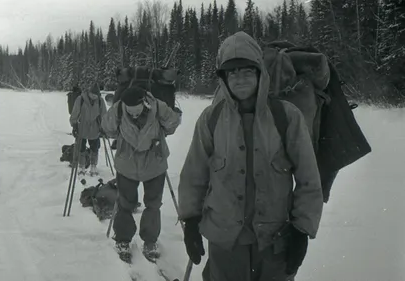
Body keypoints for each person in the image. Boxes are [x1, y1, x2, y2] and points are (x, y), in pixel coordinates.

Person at [177, 31, 324, 281]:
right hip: (225, 243)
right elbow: (194, 175)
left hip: (275, 244)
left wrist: (302, 230)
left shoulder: (286, 116)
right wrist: (190, 221)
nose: (240, 79)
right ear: (223, 78)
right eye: (232, 72)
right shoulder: (210, 119)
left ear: (259, 73)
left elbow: (309, 178)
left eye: (246, 70)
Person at [101, 86, 182, 263]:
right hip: (127, 165)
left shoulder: (158, 107)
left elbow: (173, 123)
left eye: (137, 112)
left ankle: (150, 241)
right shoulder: (119, 109)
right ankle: (123, 239)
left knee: (153, 204)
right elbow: (108, 128)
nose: (134, 115)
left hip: (154, 164)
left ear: (144, 102)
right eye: (130, 112)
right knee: (124, 204)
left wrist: (169, 119)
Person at [70, 83, 107, 176]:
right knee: (81, 148)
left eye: (96, 95)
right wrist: (74, 125)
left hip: (95, 128)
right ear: (89, 92)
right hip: (82, 127)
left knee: (95, 148)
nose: (94, 96)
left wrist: (104, 127)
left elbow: (104, 115)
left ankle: (93, 166)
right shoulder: (81, 99)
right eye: (93, 94)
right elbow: (75, 113)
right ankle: (81, 166)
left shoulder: (100, 101)